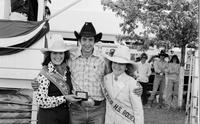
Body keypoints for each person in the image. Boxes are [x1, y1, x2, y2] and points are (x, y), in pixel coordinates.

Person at [32, 22, 143, 124]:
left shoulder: (103, 60)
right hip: (77, 109)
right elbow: (54, 67)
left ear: (95, 41)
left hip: (98, 110)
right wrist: (37, 82)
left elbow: (117, 74)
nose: (87, 43)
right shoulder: (70, 58)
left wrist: (136, 85)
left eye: (90, 40)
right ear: (80, 40)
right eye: (84, 39)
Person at [35, 35, 81, 124]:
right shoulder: (44, 74)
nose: (58, 56)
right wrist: (65, 98)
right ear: (49, 54)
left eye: (61, 53)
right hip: (48, 118)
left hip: (64, 117)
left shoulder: (67, 71)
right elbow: (41, 101)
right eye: (54, 53)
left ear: (65, 54)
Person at [102, 45, 144, 124]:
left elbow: (138, 110)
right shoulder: (105, 79)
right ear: (111, 63)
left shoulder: (133, 83)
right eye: (115, 62)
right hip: (109, 121)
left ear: (126, 67)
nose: (117, 66)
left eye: (121, 64)